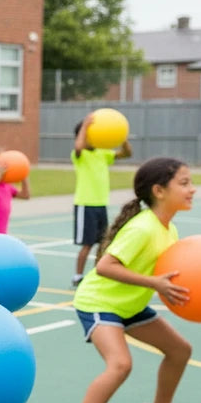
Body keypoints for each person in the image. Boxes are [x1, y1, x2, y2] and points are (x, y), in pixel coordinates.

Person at [55, 157, 201, 403]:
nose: (193, 189)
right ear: (159, 190)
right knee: (120, 365)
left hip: (130, 305)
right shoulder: (143, 228)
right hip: (99, 303)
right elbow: (105, 265)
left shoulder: (168, 228)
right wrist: (153, 283)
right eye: (185, 183)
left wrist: (171, 289)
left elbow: (162, 272)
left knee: (179, 350)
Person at [71, 114, 133, 287]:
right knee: (87, 244)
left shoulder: (102, 153)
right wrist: (85, 126)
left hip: (101, 204)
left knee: (102, 243)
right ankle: (78, 276)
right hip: (85, 204)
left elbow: (127, 154)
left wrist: (121, 137)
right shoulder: (79, 155)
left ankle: (97, 273)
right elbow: (78, 146)